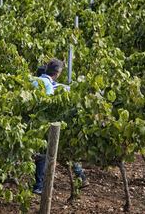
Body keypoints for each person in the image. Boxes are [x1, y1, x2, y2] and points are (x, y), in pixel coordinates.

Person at [32, 58, 88, 195]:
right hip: (49, 124)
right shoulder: (48, 85)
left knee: (42, 155)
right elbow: (51, 103)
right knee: (62, 150)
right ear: (57, 73)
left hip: (35, 123)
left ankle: (39, 185)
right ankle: (80, 176)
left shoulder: (35, 81)